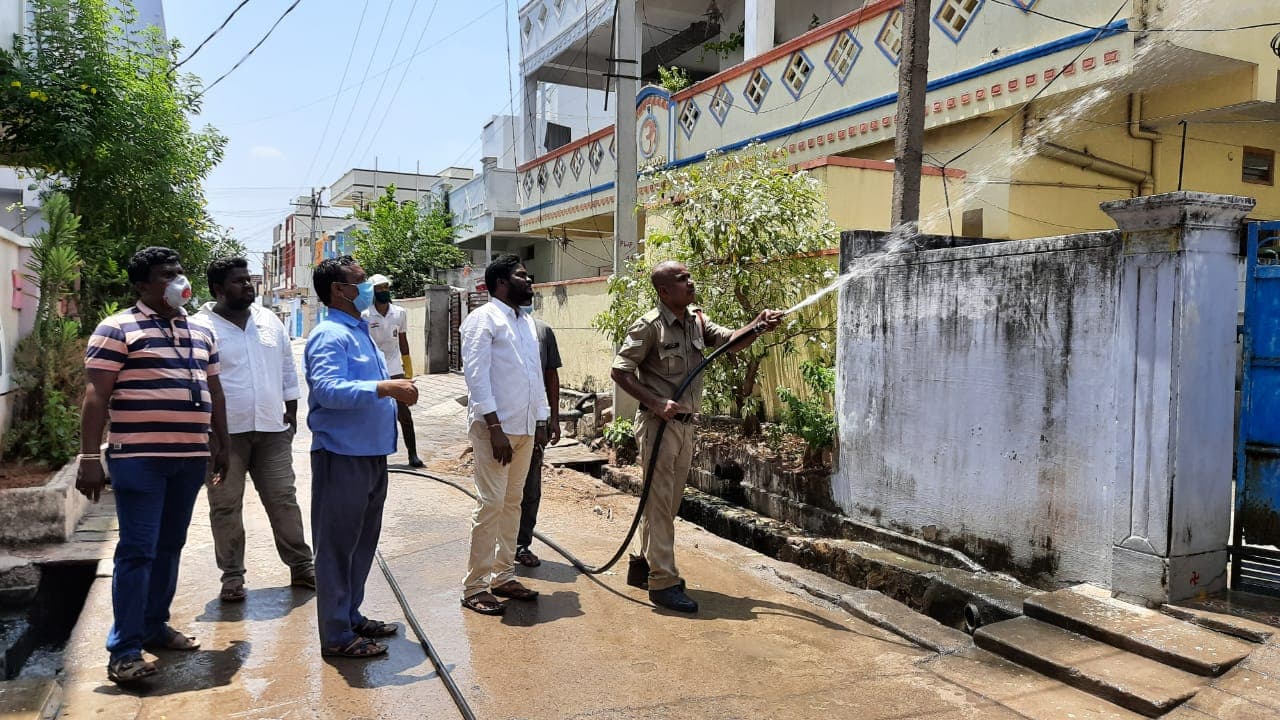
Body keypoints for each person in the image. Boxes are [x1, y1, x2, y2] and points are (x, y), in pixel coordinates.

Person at [78, 246, 230, 684]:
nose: (178, 280)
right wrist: (90, 457)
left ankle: (154, 626)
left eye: (180, 272)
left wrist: (221, 442)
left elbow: (214, 391)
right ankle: (124, 650)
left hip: (189, 459)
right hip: (139, 459)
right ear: (143, 284)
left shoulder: (200, 331)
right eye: (167, 275)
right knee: (137, 550)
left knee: (169, 546)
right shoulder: (117, 328)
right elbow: (96, 397)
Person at [610, 261, 783, 613]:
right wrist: (656, 402)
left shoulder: (697, 321)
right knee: (659, 504)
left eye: (689, 276)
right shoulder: (650, 327)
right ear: (663, 291)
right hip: (659, 427)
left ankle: (643, 564)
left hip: (687, 427)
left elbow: (731, 344)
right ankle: (663, 582)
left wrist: (757, 324)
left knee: (667, 504)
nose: (690, 282)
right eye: (681, 279)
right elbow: (620, 370)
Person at [305, 256, 419, 658]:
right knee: (336, 548)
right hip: (342, 455)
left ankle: (348, 614)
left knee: (361, 543)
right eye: (360, 280)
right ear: (339, 289)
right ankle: (336, 636)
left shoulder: (359, 329)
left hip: (370, 454)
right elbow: (328, 391)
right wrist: (385, 388)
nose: (368, 285)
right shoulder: (330, 336)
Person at [197, 257, 315, 603]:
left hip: (271, 429)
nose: (248, 286)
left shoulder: (269, 320)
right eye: (238, 281)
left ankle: (301, 565)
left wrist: (291, 411)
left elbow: (285, 367)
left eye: (249, 280)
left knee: (283, 499)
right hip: (223, 437)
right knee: (225, 504)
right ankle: (232, 576)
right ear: (218, 289)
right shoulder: (199, 327)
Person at [459, 254, 549, 615]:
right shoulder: (483, 319)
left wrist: (541, 420)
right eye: (522, 276)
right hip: (494, 430)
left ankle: (504, 574)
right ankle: (475, 586)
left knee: (514, 503)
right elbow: (476, 377)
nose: (529, 282)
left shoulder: (525, 322)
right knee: (491, 503)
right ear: (500, 282)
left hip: (524, 428)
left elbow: (534, 376)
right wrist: (494, 427)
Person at [514, 305, 562, 568]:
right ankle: (498, 545)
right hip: (504, 423)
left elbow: (551, 376)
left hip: (535, 421)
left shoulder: (542, 331)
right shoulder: (492, 327)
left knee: (530, 487)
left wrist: (553, 419)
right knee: (500, 489)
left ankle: (521, 544)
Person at [362, 273, 423, 467]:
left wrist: (408, 369)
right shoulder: (365, 315)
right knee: (376, 413)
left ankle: (412, 454)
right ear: (372, 291)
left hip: (395, 367)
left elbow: (403, 342)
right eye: (379, 288)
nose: (383, 291)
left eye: (385, 287)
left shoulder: (399, 313)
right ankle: (375, 455)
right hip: (373, 369)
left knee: (404, 413)